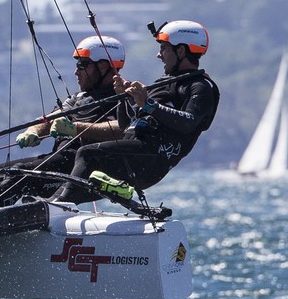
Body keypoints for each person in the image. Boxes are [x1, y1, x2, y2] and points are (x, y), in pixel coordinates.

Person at [0, 35, 128, 209]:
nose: (76, 71)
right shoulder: (79, 98)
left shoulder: (123, 96)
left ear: (103, 66)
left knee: (21, 174)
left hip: (79, 167)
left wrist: (75, 128)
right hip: (57, 161)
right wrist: (33, 131)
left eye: (82, 64)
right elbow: (49, 119)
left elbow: (123, 130)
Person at [54, 20, 219, 204]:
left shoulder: (201, 87)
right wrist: (123, 97)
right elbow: (126, 126)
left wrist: (147, 104)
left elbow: (189, 122)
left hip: (152, 160)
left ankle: (60, 204)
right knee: (84, 160)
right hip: (132, 152)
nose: (159, 55)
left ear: (181, 51)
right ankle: (53, 204)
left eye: (164, 48)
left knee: (87, 153)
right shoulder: (163, 83)